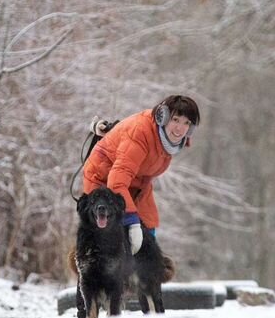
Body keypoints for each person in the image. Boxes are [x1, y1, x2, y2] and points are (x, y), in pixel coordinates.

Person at [83, 95, 200, 254]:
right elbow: (116, 182)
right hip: (103, 177)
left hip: (136, 180)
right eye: (176, 120)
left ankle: (148, 272)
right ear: (162, 117)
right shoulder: (141, 133)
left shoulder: (171, 141)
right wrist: (132, 221)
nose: (180, 128)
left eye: (186, 123)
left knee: (148, 225)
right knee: (108, 240)